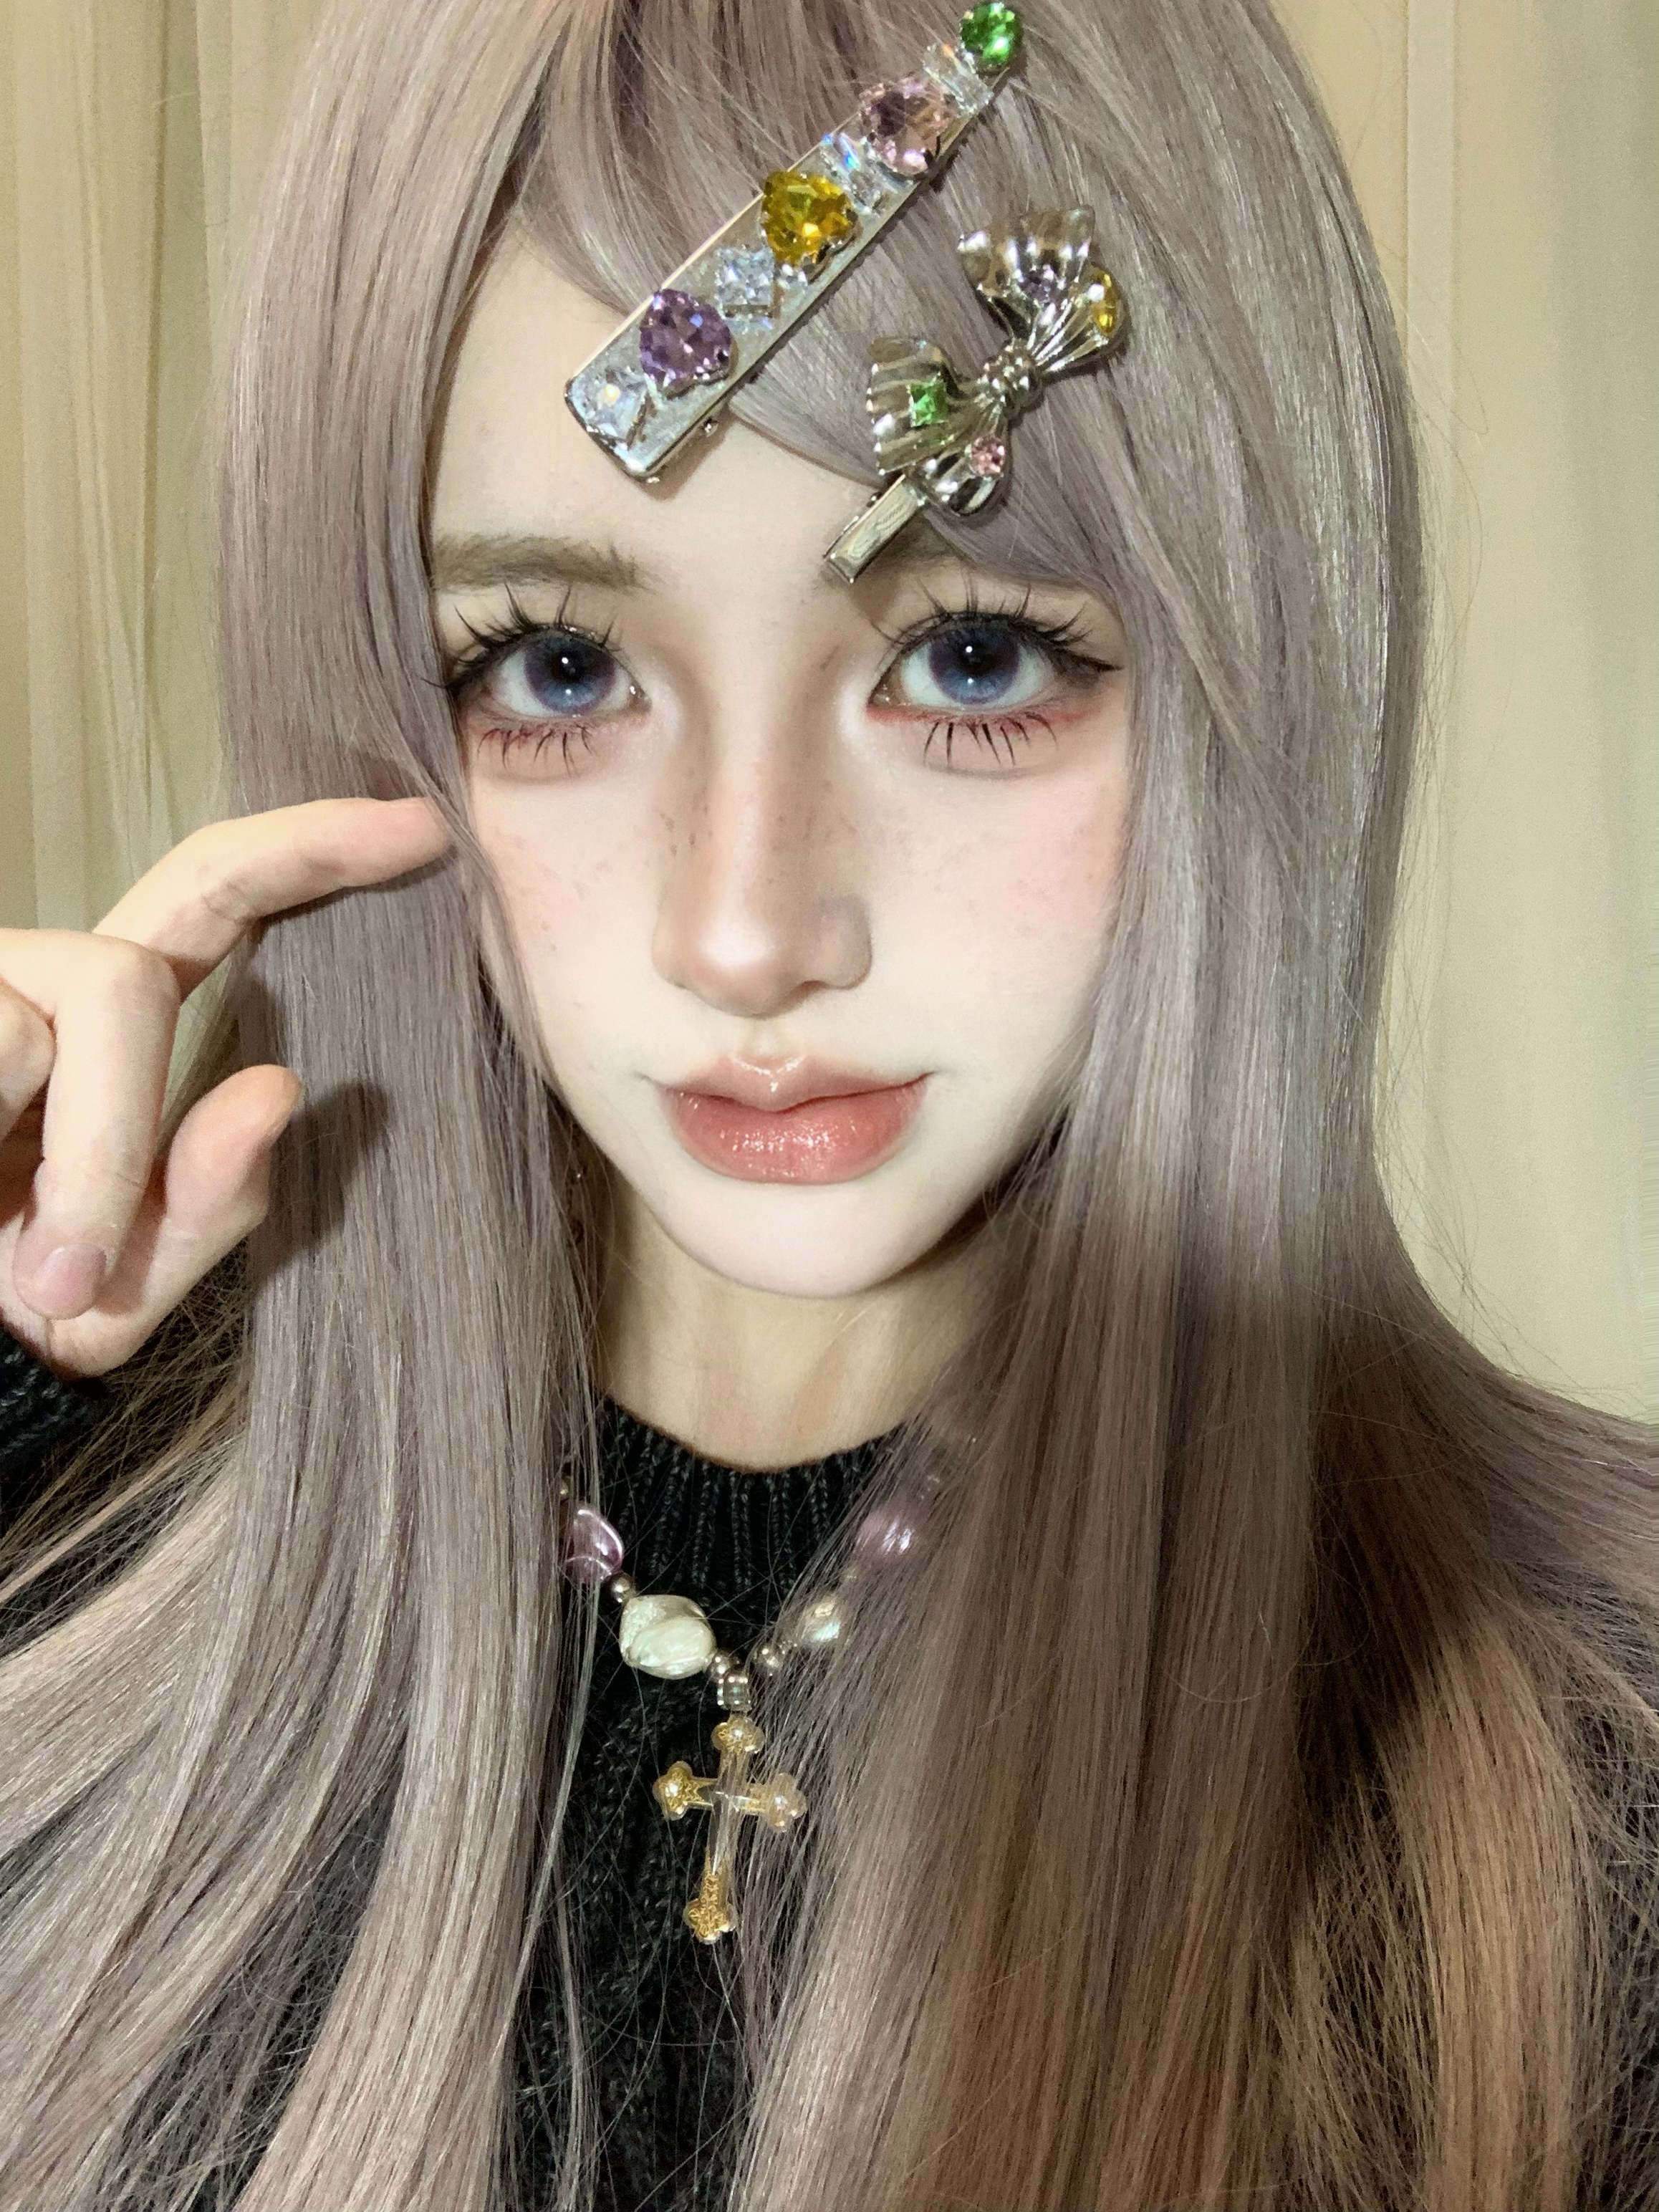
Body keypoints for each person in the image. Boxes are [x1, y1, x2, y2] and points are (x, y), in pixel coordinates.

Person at [0, 0, 1654, 2206]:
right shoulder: (59, 1552)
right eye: (558, 668)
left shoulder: (1592, 1806)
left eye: (970, 656)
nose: (747, 932)